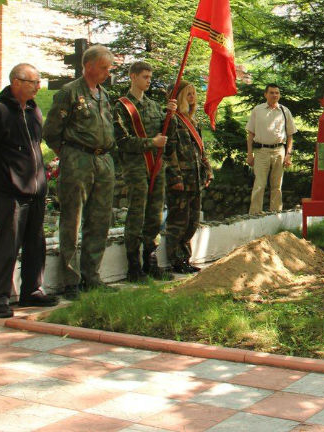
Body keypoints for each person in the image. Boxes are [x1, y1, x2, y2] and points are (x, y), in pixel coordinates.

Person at [0, 64, 59, 318]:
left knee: (35, 242)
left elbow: (35, 145)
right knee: (6, 245)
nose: (38, 87)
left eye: (38, 81)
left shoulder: (34, 111)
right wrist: (4, 177)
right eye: (33, 82)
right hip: (10, 191)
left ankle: (32, 290)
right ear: (16, 82)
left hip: (36, 189)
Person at [43, 44, 117, 299]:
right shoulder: (70, 93)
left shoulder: (103, 94)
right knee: (72, 219)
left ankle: (92, 276)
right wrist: (69, 154)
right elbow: (51, 131)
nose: (108, 73)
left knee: (100, 220)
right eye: (104, 68)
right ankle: (70, 280)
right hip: (78, 159)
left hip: (103, 160)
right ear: (89, 66)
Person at [113, 61, 176, 282]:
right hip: (136, 166)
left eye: (150, 77)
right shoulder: (122, 107)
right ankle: (133, 266)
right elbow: (123, 141)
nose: (149, 81)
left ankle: (150, 260)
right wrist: (151, 143)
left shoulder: (153, 106)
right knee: (137, 213)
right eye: (144, 77)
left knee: (155, 214)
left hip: (156, 167)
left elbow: (167, 135)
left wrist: (171, 116)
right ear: (133, 76)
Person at [165, 81, 212, 273]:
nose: (193, 98)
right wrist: (175, 177)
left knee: (192, 221)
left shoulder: (193, 122)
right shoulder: (172, 120)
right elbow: (169, 151)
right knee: (179, 221)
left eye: (194, 94)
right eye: (188, 94)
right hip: (181, 179)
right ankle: (176, 259)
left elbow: (200, 150)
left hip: (195, 178)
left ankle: (185, 258)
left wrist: (207, 170)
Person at [246, 83, 296, 214]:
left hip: (279, 151)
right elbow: (250, 134)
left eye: (277, 93)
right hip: (261, 151)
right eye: (272, 92)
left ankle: (276, 214)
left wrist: (288, 155)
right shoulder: (257, 110)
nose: (275, 95)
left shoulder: (285, 111)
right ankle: (254, 214)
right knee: (259, 184)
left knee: (277, 185)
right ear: (265, 94)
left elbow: (290, 135)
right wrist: (249, 154)